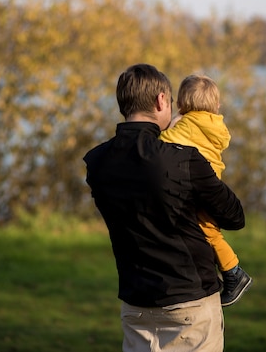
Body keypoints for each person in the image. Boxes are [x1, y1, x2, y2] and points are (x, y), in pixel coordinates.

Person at [83, 63, 245, 352]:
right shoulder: (182, 159)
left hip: (136, 305)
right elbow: (234, 216)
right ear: (161, 101)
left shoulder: (97, 162)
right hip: (190, 306)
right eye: (171, 102)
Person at [160, 74, 252, 307]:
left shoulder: (189, 124)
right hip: (212, 182)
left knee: (208, 231)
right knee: (207, 230)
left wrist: (170, 122)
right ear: (216, 105)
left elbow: (163, 143)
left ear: (182, 103)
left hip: (198, 185)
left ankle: (234, 272)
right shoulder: (214, 124)